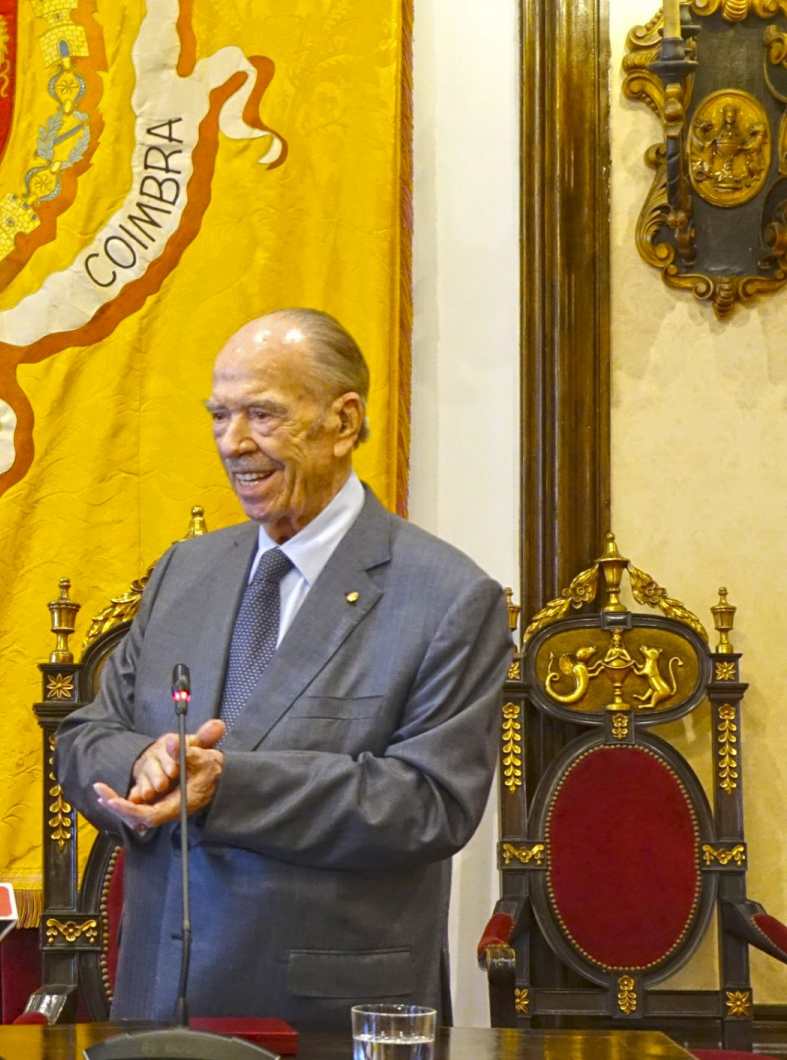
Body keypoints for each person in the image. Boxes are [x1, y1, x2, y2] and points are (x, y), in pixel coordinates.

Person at [56, 308, 509, 1026]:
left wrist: (226, 786)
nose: (233, 442)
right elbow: (86, 736)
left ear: (343, 420)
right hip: (156, 1004)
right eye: (219, 415)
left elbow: (430, 803)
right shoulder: (184, 572)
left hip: (325, 1012)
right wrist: (143, 758)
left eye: (261, 414)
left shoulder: (448, 597)